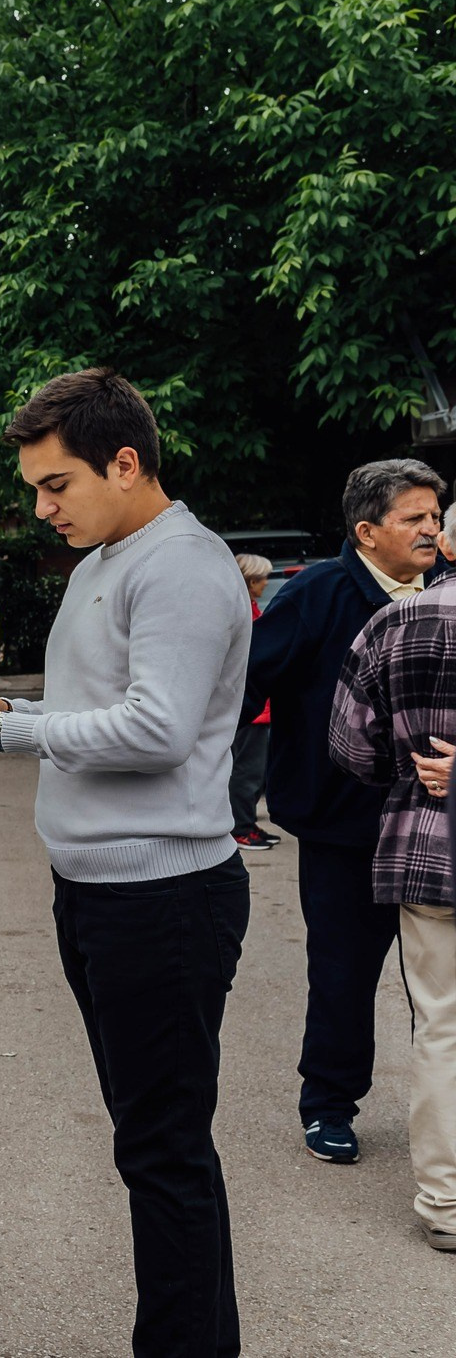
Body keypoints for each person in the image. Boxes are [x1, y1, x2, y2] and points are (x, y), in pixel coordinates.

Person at [0, 369, 249, 1358]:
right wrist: (2, 714)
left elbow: (156, 727)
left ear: (125, 462)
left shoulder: (178, 565)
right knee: (150, 1143)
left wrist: (10, 730)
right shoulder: (111, 556)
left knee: (162, 1150)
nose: (39, 506)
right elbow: (96, 709)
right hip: (103, 891)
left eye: (54, 484)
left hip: (161, 897)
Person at [245, 458, 448, 1164]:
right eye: (414, 517)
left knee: (443, 985)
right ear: (366, 530)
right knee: (343, 973)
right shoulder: (318, 593)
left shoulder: (445, 594)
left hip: (436, 829)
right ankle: (329, 1103)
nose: (431, 527)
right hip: (343, 828)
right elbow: (246, 683)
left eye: (435, 514)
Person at [329, 503, 456, 1252]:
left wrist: (406, 774)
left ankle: (445, 1201)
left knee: (440, 1026)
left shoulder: (390, 624)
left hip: (424, 848)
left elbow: (351, 743)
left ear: (444, 541)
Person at [229, 554, 276, 850]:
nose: (266, 584)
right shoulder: (242, 611)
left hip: (260, 706)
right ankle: (240, 828)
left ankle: (247, 823)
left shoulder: (250, 608)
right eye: (261, 579)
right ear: (250, 581)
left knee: (253, 771)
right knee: (247, 771)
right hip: (251, 709)